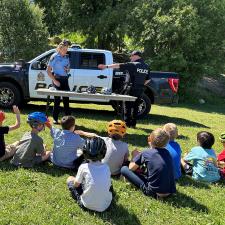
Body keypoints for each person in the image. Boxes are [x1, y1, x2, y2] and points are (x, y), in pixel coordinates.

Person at [98, 50, 151, 128]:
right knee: (136, 106)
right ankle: (133, 124)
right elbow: (148, 79)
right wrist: (141, 84)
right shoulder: (146, 66)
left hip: (131, 89)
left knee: (127, 106)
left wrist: (106, 67)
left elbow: (118, 65)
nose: (130, 58)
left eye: (131, 56)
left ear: (136, 56)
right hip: (140, 89)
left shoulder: (133, 65)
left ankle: (127, 123)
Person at [121, 128, 176, 199]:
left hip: (153, 192)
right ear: (166, 143)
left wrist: (134, 156)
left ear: (149, 139)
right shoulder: (167, 153)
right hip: (170, 191)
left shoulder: (146, 153)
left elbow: (131, 168)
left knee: (124, 169)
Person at [66, 137, 112, 212]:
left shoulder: (83, 167)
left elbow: (76, 185)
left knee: (70, 179)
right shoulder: (106, 167)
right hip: (106, 205)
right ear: (104, 152)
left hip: (87, 205)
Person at [47, 40, 71, 124]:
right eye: (64, 49)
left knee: (66, 100)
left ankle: (68, 120)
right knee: (57, 100)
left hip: (65, 79)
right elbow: (48, 71)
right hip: (57, 79)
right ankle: (55, 118)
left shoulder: (67, 57)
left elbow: (68, 69)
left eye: (66, 49)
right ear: (60, 48)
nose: (65, 51)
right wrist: (55, 81)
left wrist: (67, 69)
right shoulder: (54, 56)